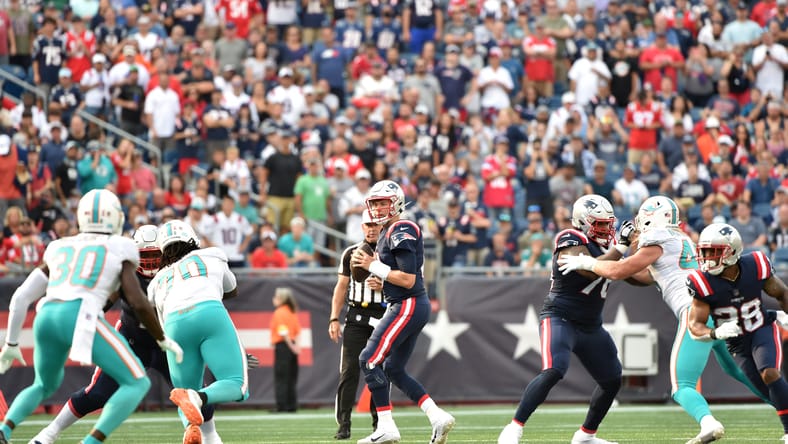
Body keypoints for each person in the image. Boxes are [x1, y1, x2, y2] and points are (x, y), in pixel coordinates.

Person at [557, 196, 771, 444]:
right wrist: (618, 260)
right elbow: (644, 276)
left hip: (695, 313)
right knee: (738, 370)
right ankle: (783, 407)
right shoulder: (681, 240)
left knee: (681, 386)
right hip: (717, 312)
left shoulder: (657, 240)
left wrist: (589, 262)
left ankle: (708, 423)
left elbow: (618, 271)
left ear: (653, 217)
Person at [0, 190, 183, 444]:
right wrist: (163, 338)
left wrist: (11, 343)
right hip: (82, 314)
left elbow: (20, 297)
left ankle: (7, 429)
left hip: (46, 314)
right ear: (116, 217)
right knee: (137, 384)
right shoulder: (122, 246)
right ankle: (90, 441)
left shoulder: (59, 245)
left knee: (43, 385)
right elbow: (137, 300)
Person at [29, 225, 232, 444]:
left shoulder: (178, 268)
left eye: (157, 255)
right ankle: (48, 434)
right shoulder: (125, 270)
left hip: (169, 343)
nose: (152, 261)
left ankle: (210, 436)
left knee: (194, 392)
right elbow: (103, 302)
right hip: (133, 340)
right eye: (146, 256)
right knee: (97, 393)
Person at [498, 194, 626, 444]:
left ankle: (586, 436)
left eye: (608, 224)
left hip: (591, 326)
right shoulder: (570, 238)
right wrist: (621, 248)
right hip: (560, 318)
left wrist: (656, 268)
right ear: (582, 222)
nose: (606, 229)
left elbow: (630, 273)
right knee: (554, 370)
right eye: (599, 224)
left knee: (612, 379)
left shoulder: (606, 250)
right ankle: (514, 428)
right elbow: (589, 271)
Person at [350, 179, 455, 444]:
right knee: (394, 369)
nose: (377, 208)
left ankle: (386, 426)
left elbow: (408, 279)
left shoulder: (401, 227)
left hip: (408, 303)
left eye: (383, 202)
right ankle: (437, 416)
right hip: (407, 303)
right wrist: (381, 280)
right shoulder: (388, 231)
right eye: (374, 203)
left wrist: (375, 266)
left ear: (396, 202)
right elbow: (400, 276)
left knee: (369, 359)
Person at [148, 220, 250, 443]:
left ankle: (190, 428)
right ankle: (199, 397)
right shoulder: (212, 254)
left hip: (173, 325)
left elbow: (161, 322)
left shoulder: (156, 281)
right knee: (237, 384)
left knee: (183, 390)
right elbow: (231, 289)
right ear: (192, 237)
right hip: (208, 310)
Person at [688, 223, 788, 441]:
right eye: (704, 252)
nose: (707, 258)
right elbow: (695, 325)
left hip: (761, 328)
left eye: (713, 252)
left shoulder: (755, 265)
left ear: (732, 251)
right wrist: (716, 333)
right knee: (765, 388)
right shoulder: (703, 282)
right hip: (737, 344)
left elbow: (782, 293)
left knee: (769, 372)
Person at [329, 211, 384, 440]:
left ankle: (380, 423)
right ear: (362, 226)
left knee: (379, 371)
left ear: (382, 226)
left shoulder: (390, 252)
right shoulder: (351, 252)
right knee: (349, 370)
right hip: (356, 316)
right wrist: (334, 317)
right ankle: (344, 423)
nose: (372, 229)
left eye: (375, 225)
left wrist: (384, 285)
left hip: (383, 315)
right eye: (368, 225)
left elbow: (405, 281)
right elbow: (341, 286)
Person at [270, 287, 301, 413]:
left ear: (280, 299)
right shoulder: (291, 311)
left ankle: (281, 406)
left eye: (276, 297)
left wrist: (290, 346)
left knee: (281, 377)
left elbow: (283, 331)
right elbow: (298, 331)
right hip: (292, 346)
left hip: (283, 346)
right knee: (291, 377)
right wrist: (296, 347)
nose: (273, 299)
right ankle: (291, 405)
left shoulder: (279, 312)